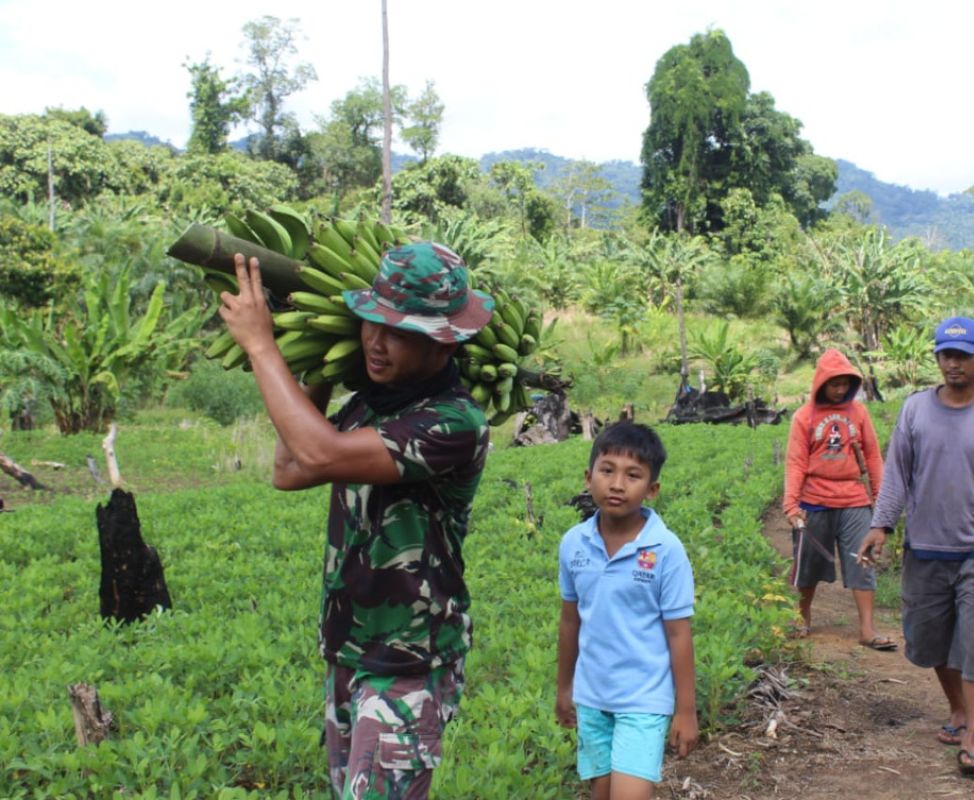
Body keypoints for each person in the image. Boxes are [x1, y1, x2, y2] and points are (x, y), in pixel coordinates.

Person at [218, 242, 495, 800]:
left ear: (445, 340)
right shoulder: (373, 404)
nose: (375, 340)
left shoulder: (452, 423)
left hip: (408, 660)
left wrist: (261, 345)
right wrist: (318, 369)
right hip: (350, 649)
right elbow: (289, 469)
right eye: (371, 323)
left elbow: (321, 455)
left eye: (397, 332)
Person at [856, 316, 974, 778]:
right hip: (926, 547)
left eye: (963, 355)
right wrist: (882, 526)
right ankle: (958, 710)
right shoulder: (916, 409)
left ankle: (973, 740)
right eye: (945, 354)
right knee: (930, 641)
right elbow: (897, 473)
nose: (953, 363)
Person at [555, 422, 699, 800]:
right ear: (588, 478)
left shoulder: (666, 550)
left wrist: (686, 711)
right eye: (607, 471)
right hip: (592, 697)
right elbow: (571, 621)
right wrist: (564, 687)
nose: (617, 484)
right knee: (600, 793)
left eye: (632, 475)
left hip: (644, 699)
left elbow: (678, 633)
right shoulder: (574, 544)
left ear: (652, 490)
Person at [782, 348, 894, 650]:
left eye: (845, 383)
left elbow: (872, 455)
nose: (841, 389)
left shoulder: (859, 413)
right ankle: (802, 616)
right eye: (835, 383)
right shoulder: (803, 417)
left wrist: (879, 503)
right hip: (814, 500)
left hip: (853, 498)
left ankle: (867, 628)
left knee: (863, 560)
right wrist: (791, 504)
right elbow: (795, 462)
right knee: (808, 562)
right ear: (821, 383)